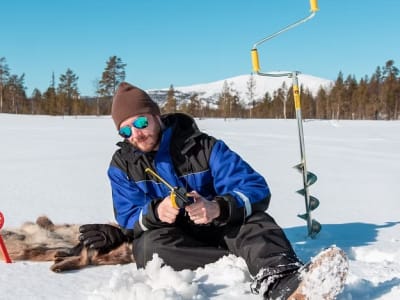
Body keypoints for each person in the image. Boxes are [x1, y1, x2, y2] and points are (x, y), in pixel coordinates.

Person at [79, 82, 305, 299]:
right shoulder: (123, 166)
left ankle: (284, 282)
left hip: (221, 227)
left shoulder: (205, 147)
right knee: (149, 249)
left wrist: (218, 207)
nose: (136, 135)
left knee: (256, 224)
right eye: (126, 131)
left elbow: (255, 188)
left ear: (157, 116)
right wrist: (157, 212)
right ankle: (242, 261)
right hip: (175, 239)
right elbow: (128, 217)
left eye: (140, 123)